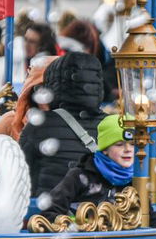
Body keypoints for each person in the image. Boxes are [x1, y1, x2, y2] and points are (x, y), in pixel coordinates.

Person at [17, 50, 107, 199]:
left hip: (51, 216)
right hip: (101, 216)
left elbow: (22, 180)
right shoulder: (114, 124)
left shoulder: (38, 126)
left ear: (55, 84)